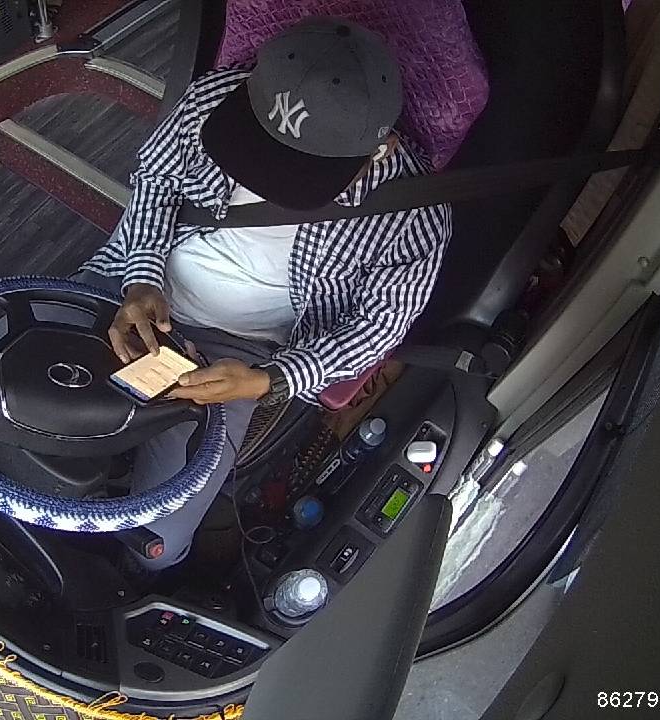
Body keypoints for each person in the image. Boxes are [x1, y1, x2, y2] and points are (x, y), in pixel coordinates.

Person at [76, 17, 452, 571]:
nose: (261, 180)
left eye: (290, 175)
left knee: (156, 545)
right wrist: (141, 278)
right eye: (255, 153)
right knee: (12, 398)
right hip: (132, 286)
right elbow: (156, 181)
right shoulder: (215, 98)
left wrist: (268, 380)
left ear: (379, 151)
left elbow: (377, 328)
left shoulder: (412, 214)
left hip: (241, 352)